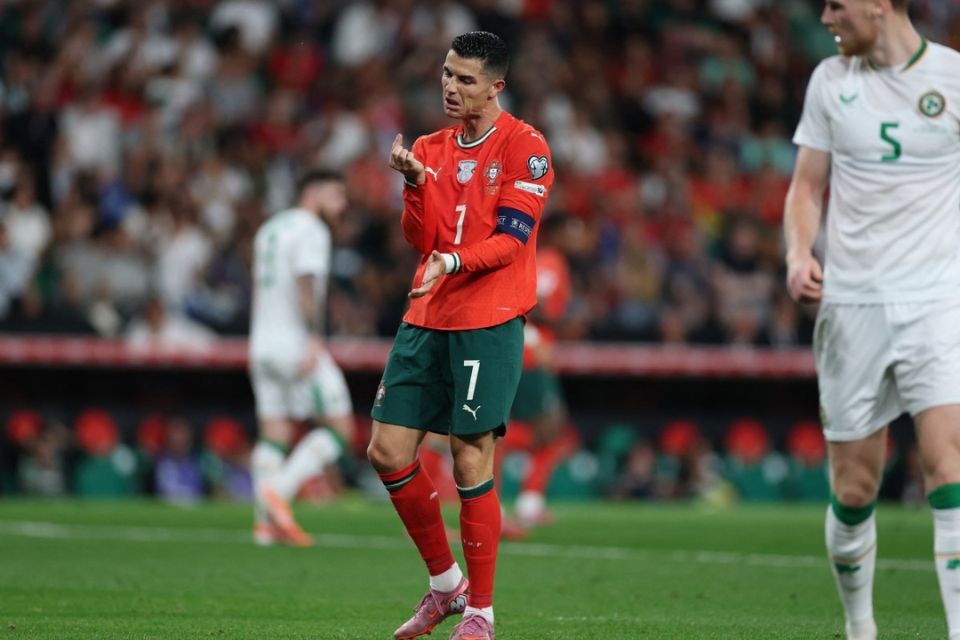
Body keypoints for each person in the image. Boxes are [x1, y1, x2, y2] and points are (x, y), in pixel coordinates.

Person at [366, 31, 553, 640]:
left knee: (470, 457)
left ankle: (482, 614)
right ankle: (447, 586)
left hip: (488, 319)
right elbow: (419, 239)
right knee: (387, 451)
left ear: (496, 86)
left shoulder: (526, 146)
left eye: (465, 79)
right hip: (426, 315)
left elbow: (511, 240)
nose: (450, 86)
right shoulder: (430, 147)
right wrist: (415, 183)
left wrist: (451, 262)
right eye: (447, 74)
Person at [783, 2, 960, 638]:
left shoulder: (953, 77)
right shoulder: (830, 81)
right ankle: (861, 629)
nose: (826, 16)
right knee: (856, 489)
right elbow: (807, 188)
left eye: (837, 3)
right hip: (852, 304)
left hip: (938, 299)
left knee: (949, 466)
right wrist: (798, 252)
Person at [248, 169, 354, 547]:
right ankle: (278, 490)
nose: (341, 205)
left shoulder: (269, 228)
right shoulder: (312, 229)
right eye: (336, 196)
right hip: (294, 342)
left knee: (274, 432)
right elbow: (305, 281)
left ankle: (264, 527)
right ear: (314, 192)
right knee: (341, 429)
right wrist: (314, 336)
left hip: (261, 342)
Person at [498, 213, 580, 537]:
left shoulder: (553, 261)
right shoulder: (550, 261)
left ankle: (529, 501)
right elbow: (531, 302)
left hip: (528, 353)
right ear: (557, 234)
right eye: (573, 231)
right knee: (553, 430)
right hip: (530, 356)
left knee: (549, 432)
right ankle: (525, 500)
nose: (578, 239)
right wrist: (536, 337)